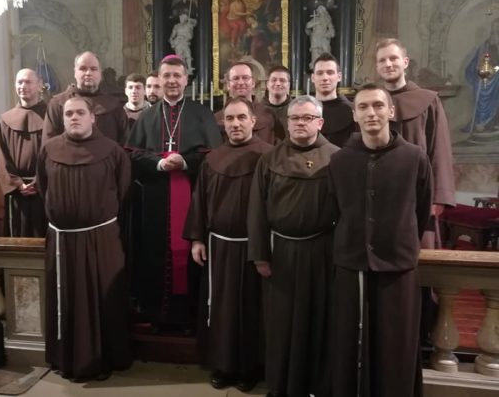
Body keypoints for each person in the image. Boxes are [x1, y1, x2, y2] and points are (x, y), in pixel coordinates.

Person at [328, 83, 432, 397]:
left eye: (377, 105)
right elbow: (336, 209)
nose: (371, 113)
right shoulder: (340, 160)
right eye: (363, 107)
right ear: (355, 116)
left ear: (391, 111)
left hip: (397, 266)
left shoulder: (414, 158)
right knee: (350, 343)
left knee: (396, 344)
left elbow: (421, 209)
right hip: (352, 264)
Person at [247, 96, 338, 397]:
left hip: (322, 252)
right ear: (287, 123)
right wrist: (260, 255)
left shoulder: (337, 158)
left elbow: (345, 211)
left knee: (319, 319)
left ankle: (317, 386)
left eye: (307, 118)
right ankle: (281, 385)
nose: (300, 123)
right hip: (281, 252)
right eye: (295, 118)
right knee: (281, 323)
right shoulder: (269, 159)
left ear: (320, 122)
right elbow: (257, 211)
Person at [37, 97, 132, 381]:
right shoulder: (49, 150)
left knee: (104, 298)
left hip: (102, 238)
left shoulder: (113, 151)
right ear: (62, 119)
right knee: (66, 300)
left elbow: (123, 191)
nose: (74, 117)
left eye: (80, 112)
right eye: (68, 114)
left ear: (93, 118)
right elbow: (44, 188)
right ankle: (65, 358)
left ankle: (104, 359)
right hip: (62, 241)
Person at [126, 55, 221, 331]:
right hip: (154, 202)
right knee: (154, 255)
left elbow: (213, 155)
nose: (171, 81)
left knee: (191, 257)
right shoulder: (146, 116)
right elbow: (133, 155)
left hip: (193, 200)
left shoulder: (202, 114)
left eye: (177, 75)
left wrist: (185, 161)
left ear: (186, 79)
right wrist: (159, 163)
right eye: (166, 75)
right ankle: (157, 316)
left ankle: (189, 317)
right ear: (159, 78)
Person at [184, 97, 273, 392]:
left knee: (251, 309)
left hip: (254, 248)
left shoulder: (269, 155)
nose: (235, 124)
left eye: (241, 118)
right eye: (230, 119)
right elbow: (200, 200)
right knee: (220, 308)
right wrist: (197, 238)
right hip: (219, 247)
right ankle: (222, 365)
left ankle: (250, 367)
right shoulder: (213, 158)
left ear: (253, 121)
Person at [376, 38, 455, 238]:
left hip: (418, 192)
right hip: (378, 193)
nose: (388, 64)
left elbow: (440, 149)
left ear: (405, 62)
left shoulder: (428, 101)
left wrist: (438, 197)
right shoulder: (372, 103)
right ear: (377, 67)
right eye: (382, 60)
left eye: (393, 58)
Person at [0, 68, 47, 237]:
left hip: (45, 189)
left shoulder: (52, 116)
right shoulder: (6, 119)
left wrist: (39, 182)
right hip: (17, 192)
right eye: (19, 82)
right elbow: (2, 157)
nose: (23, 86)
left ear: (39, 85)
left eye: (28, 82)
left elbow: (56, 153)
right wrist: (18, 183)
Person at [43, 51, 128, 145]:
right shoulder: (57, 104)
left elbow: (125, 143)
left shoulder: (114, 105)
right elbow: (49, 145)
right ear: (75, 72)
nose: (88, 73)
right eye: (83, 68)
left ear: (100, 74)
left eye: (93, 69)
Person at [215, 62, 285, 144]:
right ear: (228, 85)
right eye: (236, 78)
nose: (241, 82)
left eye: (245, 78)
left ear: (253, 83)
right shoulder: (216, 118)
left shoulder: (268, 114)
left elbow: (280, 143)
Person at [312, 52, 355, 147]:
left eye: (330, 72)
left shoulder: (353, 110)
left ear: (339, 77)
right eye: (320, 73)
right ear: (313, 78)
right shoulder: (303, 110)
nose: (325, 78)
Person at [261, 65, 292, 132]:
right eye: (274, 80)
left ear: (288, 85)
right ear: (267, 84)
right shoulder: (256, 109)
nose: (278, 83)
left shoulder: (296, 109)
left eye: (282, 80)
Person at [305, 5, 335, 69]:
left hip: (324, 38)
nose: (320, 13)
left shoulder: (327, 20)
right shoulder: (315, 19)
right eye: (319, 12)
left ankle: (326, 66)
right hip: (315, 38)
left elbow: (332, 30)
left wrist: (328, 34)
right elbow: (308, 25)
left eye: (321, 12)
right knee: (315, 52)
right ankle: (315, 65)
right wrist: (316, 23)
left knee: (326, 52)